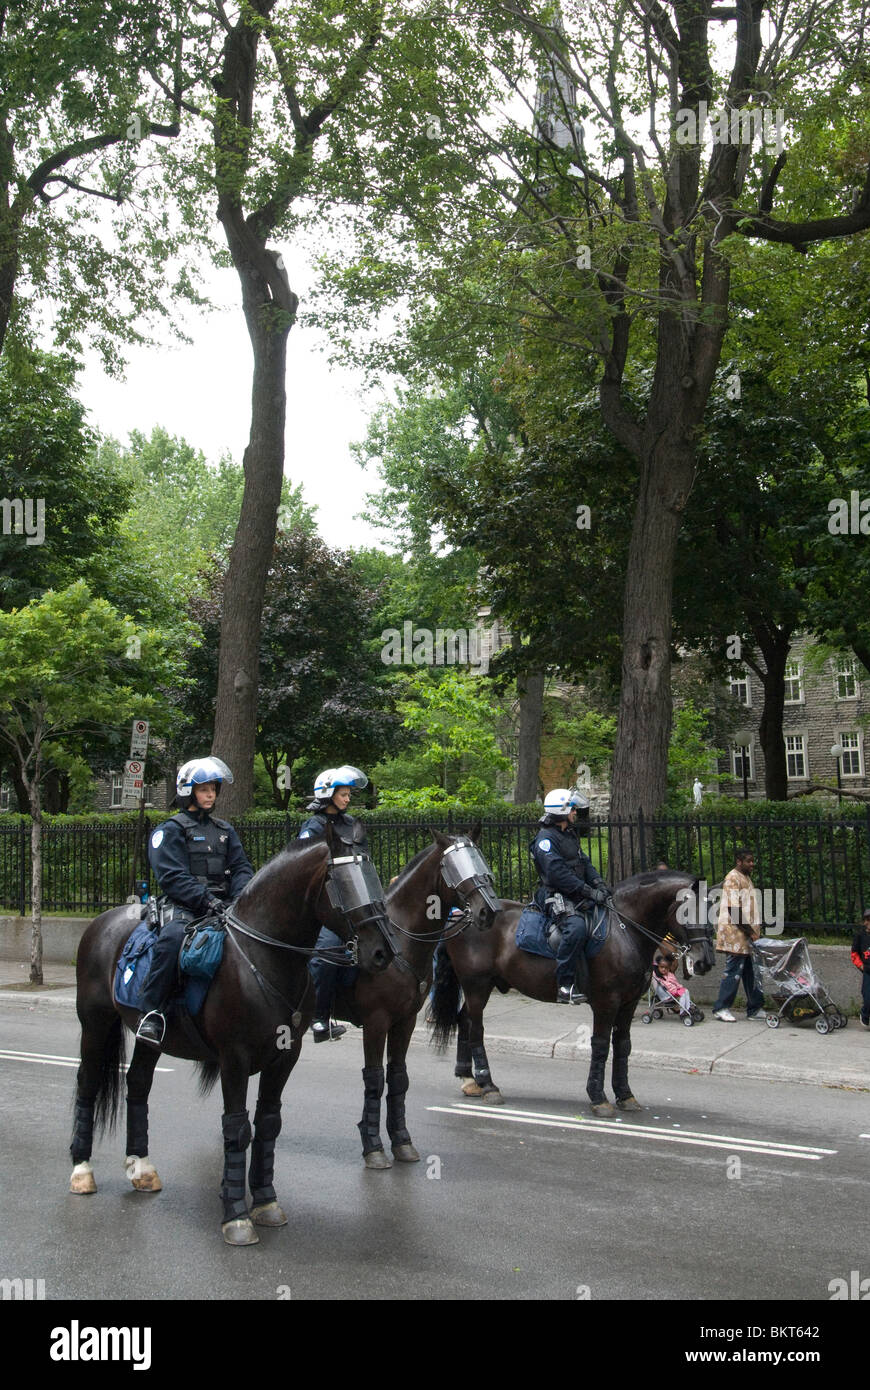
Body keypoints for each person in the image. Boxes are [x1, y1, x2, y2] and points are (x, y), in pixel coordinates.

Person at [135, 757, 254, 1048]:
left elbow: (241, 868)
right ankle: (151, 1012)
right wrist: (209, 902)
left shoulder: (225, 830)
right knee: (173, 939)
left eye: (213, 788)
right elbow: (173, 877)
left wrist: (239, 899)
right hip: (183, 906)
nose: (211, 793)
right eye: (204, 788)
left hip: (224, 905)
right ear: (188, 791)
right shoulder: (170, 830)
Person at [297, 765, 370, 1042]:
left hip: (354, 901)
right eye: (343, 793)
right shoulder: (314, 826)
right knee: (327, 953)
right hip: (327, 905)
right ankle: (318, 1018)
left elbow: (363, 860)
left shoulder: (352, 824)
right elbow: (307, 868)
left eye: (349, 793)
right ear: (327, 794)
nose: (347, 798)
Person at [530, 787, 613, 1005]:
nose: (575, 813)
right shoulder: (545, 839)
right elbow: (557, 874)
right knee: (575, 928)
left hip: (575, 892)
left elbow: (583, 862)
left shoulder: (568, 834)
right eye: (573, 809)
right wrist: (587, 891)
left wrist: (599, 884)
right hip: (554, 894)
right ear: (562, 811)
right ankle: (564, 985)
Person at [711, 847, 765, 1022]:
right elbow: (734, 910)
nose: (752, 864)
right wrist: (751, 932)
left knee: (752, 971)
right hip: (736, 935)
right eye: (748, 861)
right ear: (738, 862)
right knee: (734, 970)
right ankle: (721, 1007)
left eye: (752, 860)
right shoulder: (733, 878)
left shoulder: (746, 878)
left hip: (747, 935)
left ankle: (754, 1008)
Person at [652, 950, 694, 1018]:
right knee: (683, 993)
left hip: (674, 990)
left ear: (669, 968)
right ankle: (682, 1011)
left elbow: (675, 982)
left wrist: (679, 987)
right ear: (658, 967)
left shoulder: (670, 975)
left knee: (686, 991)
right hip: (668, 992)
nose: (663, 969)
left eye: (666, 968)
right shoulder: (657, 975)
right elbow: (653, 967)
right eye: (661, 967)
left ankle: (687, 1008)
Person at [850, 907, 870, 1031]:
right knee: (868, 997)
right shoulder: (860, 936)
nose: (867, 922)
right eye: (867, 919)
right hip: (868, 971)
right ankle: (865, 1013)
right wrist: (861, 965)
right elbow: (854, 954)